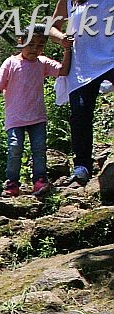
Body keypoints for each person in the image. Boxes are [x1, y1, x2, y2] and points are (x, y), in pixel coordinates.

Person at [0, 24, 66, 197]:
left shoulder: (42, 63)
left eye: (40, 46)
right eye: (30, 45)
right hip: (15, 118)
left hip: (37, 117)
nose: (34, 49)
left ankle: (40, 180)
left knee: (39, 148)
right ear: (20, 42)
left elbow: (63, 70)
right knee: (15, 148)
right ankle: (12, 183)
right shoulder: (11, 63)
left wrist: (68, 49)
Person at [51, 0, 114, 183]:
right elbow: (53, 27)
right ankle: (82, 166)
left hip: (111, 58)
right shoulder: (68, 1)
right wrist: (61, 38)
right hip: (82, 66)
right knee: (80, 114)